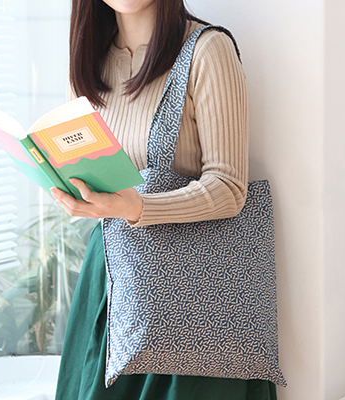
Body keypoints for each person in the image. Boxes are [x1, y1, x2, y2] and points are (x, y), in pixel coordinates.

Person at [52, 0, 278, 399]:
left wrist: (138, 208)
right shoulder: (88, 63)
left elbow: (229, 187)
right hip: (108, 281)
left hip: (192, 296)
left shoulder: (206, 51)